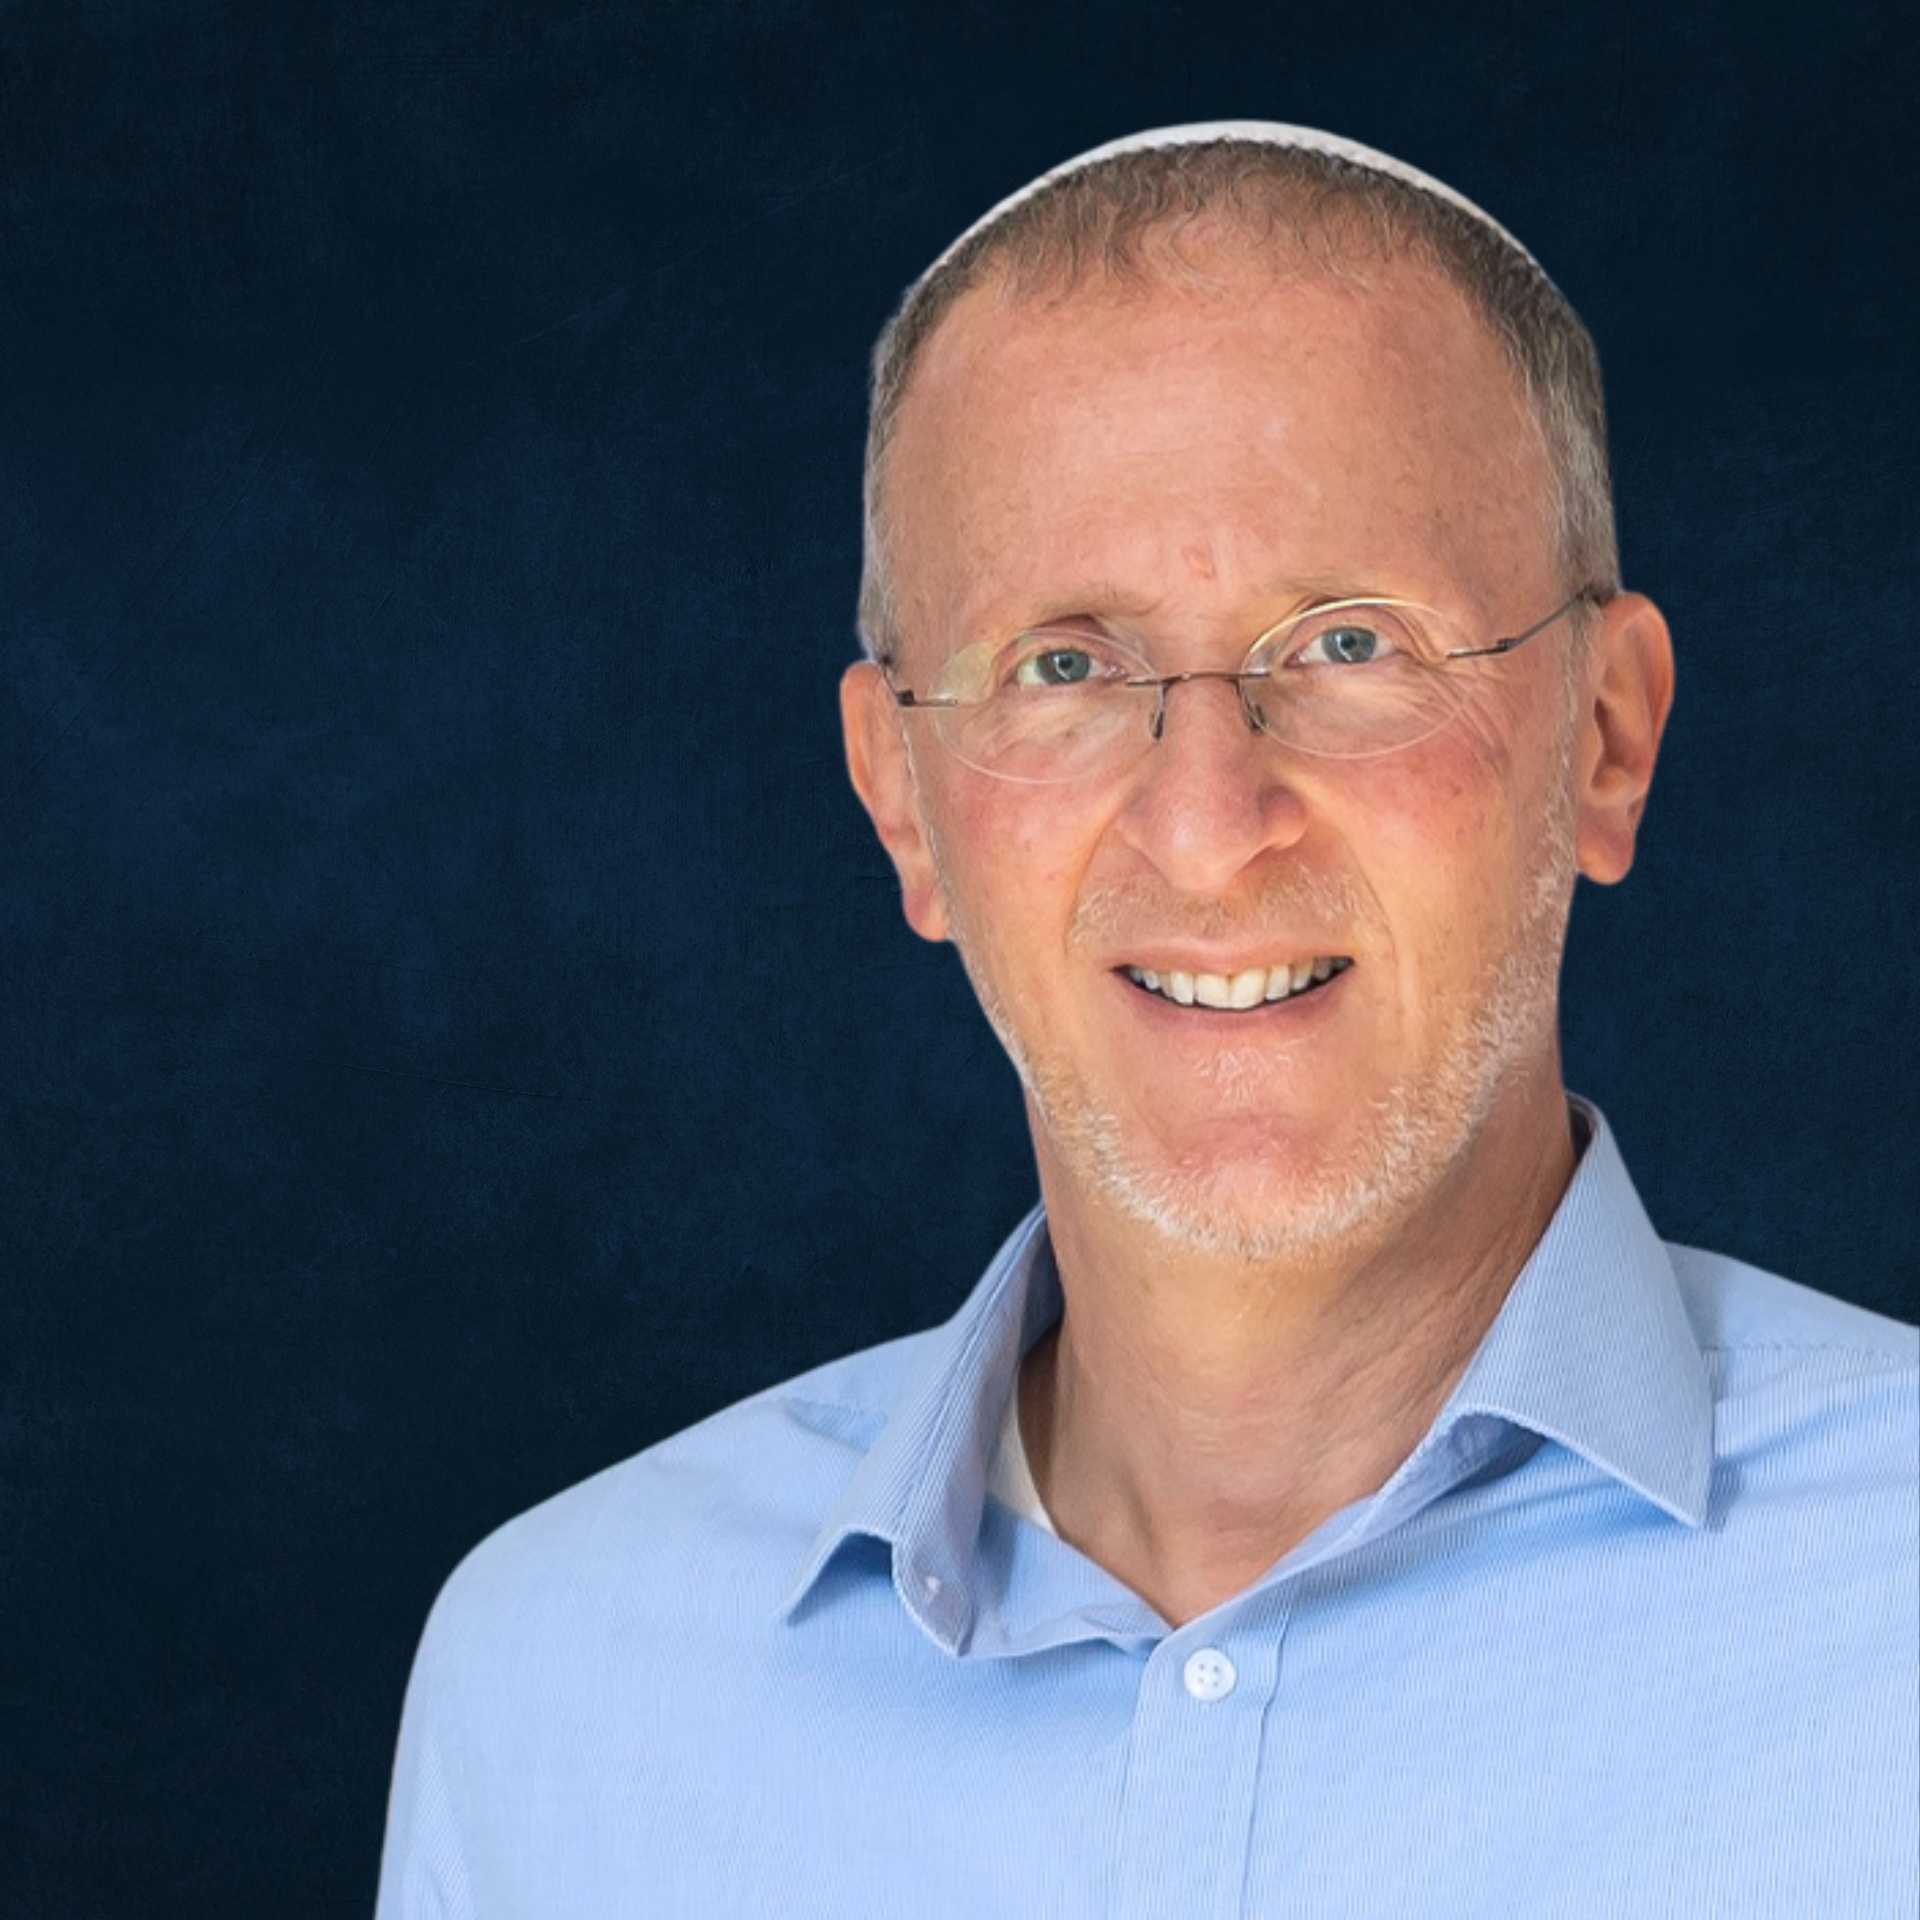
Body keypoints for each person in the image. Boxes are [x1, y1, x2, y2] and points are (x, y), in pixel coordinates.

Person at [373, 124, 1918, 1918]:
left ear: (1606, 739)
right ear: (904, 802)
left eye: (1348, 644)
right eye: (1064, 667)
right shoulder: (559, 1697)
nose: (1205, 819)